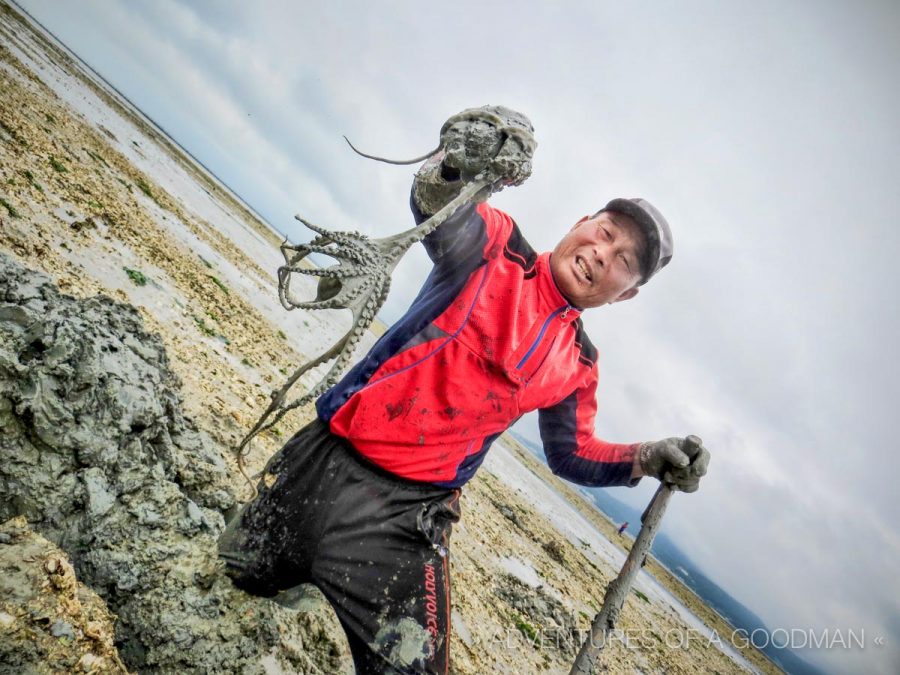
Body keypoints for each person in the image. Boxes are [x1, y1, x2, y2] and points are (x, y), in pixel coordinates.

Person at [219, 107, 711, 674]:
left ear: (625, 295)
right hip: (325, 459)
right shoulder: (494, 246)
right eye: (605, 233)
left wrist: (646, 457)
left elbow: (571, 453)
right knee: (231, 579)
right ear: (582, 222)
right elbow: (433, 205)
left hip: (405, 520)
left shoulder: (578, 364)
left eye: (625, 260)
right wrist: (459, 162)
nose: (604, 253)